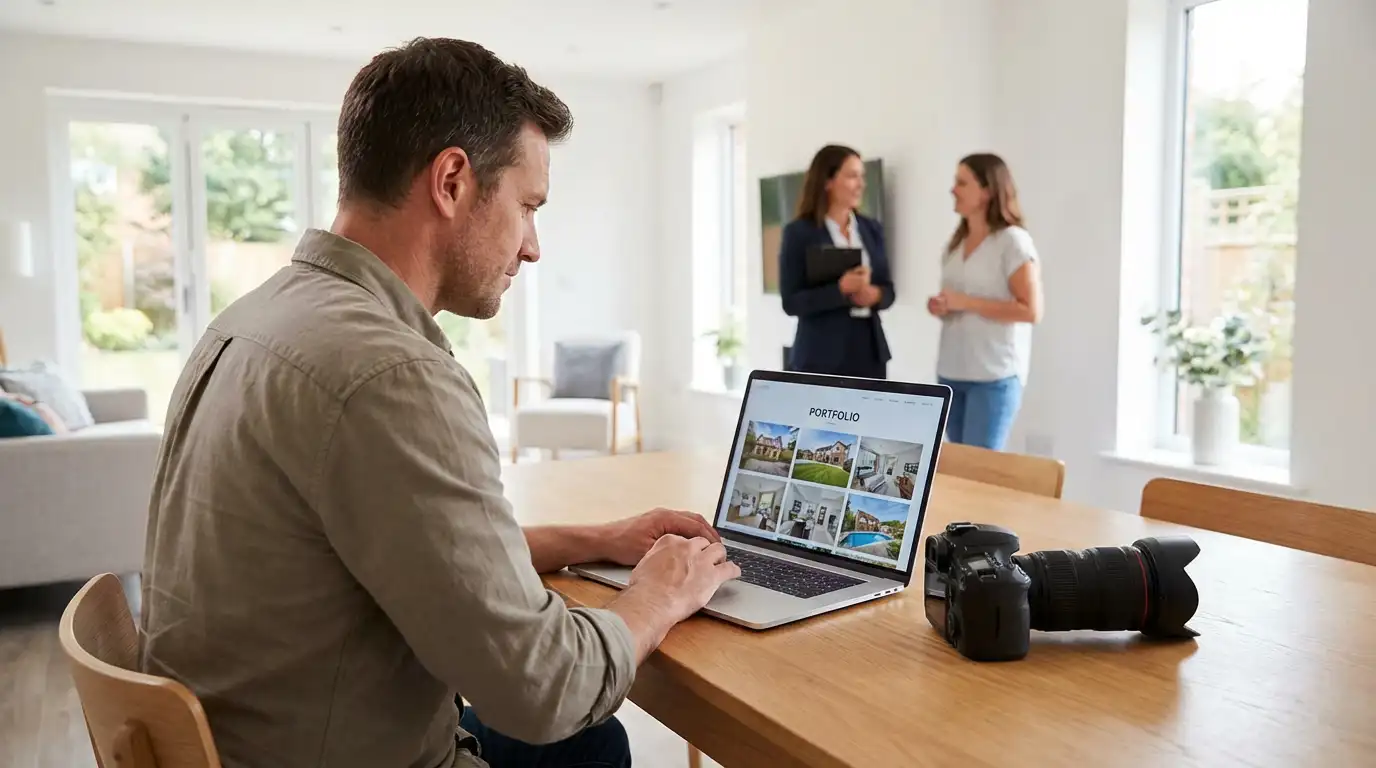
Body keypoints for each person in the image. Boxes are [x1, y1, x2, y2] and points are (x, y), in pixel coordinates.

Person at [138, 37, 740, 768]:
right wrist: (658, 595)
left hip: (254, 738)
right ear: (452, 180)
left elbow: (414, 551)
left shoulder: (246, 323)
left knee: (590, 744)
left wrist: (598, 539)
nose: (533, 246)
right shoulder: (389, 372)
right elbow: (546, 688)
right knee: (581, 734)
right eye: (527, 206)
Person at [927, 153, 1043, 451]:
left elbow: (1031, 310)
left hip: (993, 376)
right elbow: (958, 302)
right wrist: (943, 306)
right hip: (951, 373)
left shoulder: (1012, 242)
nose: (953, 190)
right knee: (958, 470)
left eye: (961, 183)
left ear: (987, 191)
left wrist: (965, 302)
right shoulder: (955, 245)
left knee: (980, 473)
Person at [779, 145, 895, 379]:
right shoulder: (800, 233)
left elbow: (889, 290)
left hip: (869, 353)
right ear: (827, 181)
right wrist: (840, 290)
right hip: (820, 356)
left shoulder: (872, 229)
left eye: (862, 176)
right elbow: (791, 302)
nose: (861, 184)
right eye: (852, 176)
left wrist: (875, 295)